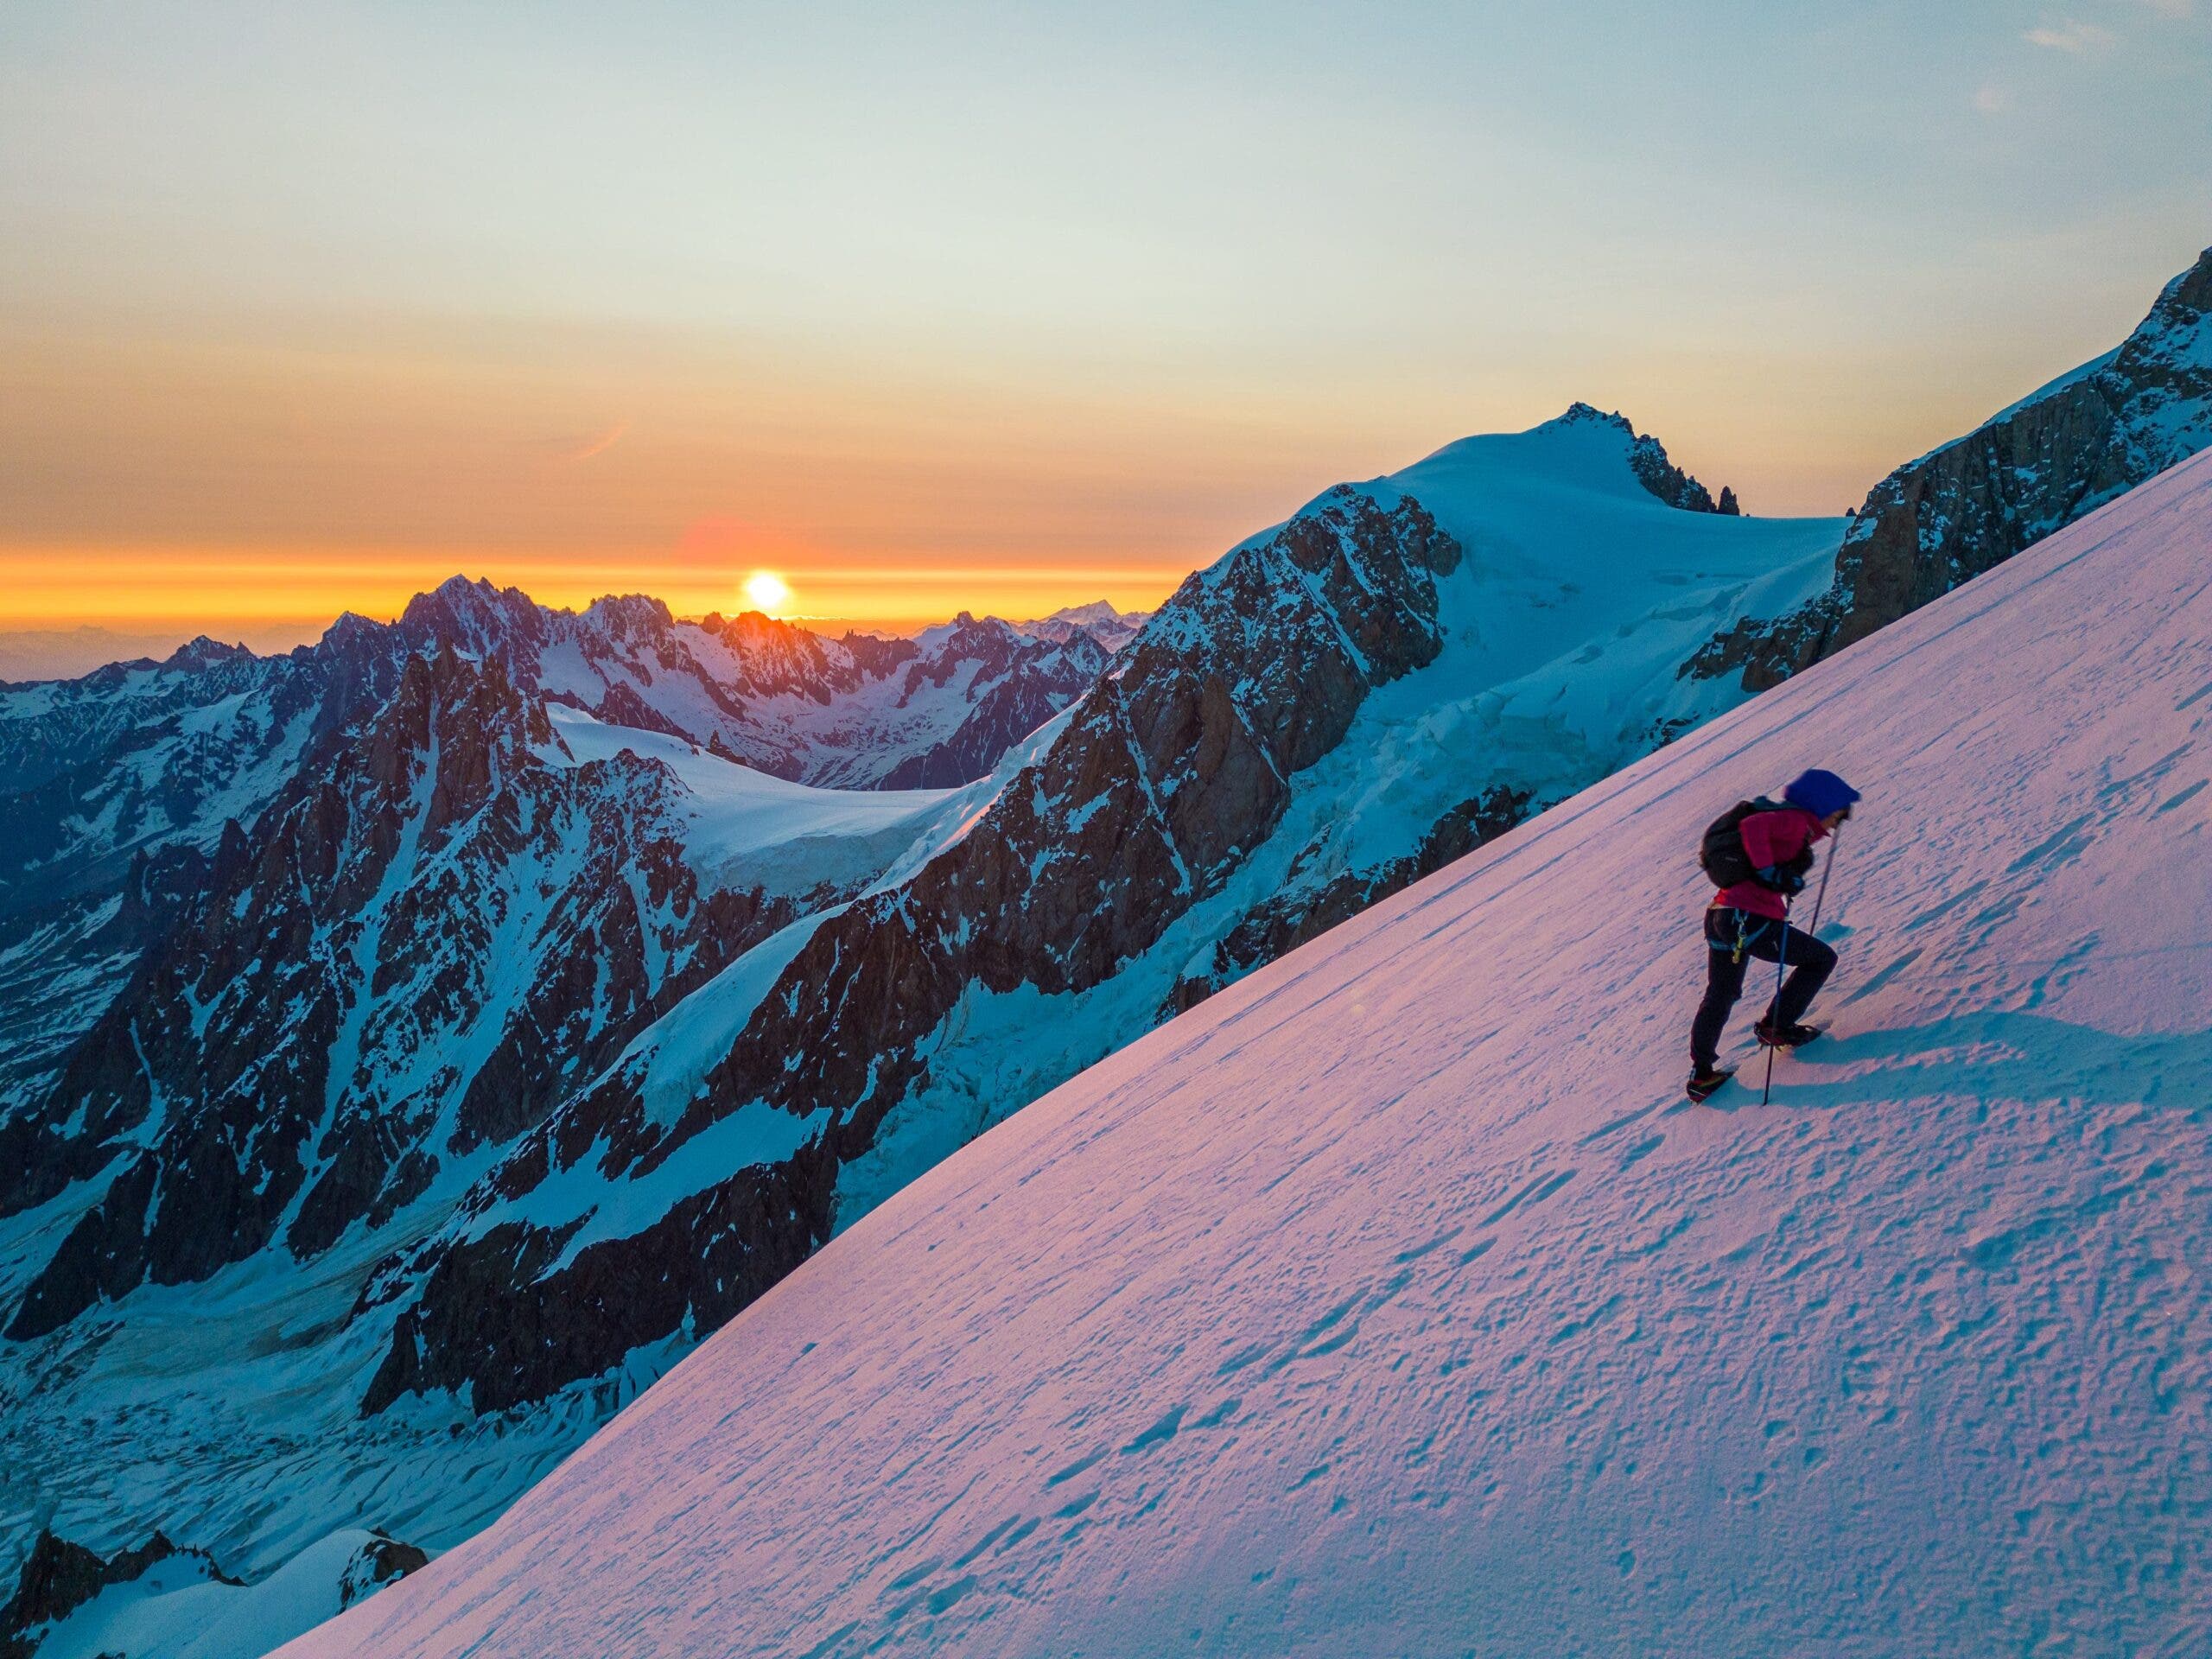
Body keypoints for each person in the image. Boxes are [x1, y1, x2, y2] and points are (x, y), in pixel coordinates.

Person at [1688, 768, 1860, 1100]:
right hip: (1749, 919)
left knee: (1720, 994)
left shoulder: (1794, 827)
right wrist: (1770, 872)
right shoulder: (1795, 820)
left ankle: (1702, 1074)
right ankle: (1776, 1026)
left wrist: (1780, 876)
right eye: (1838, 815)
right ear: (1823, 804)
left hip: (1723, 916)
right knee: (1821, 959)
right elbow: (1753, 828)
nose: (1836, 824)